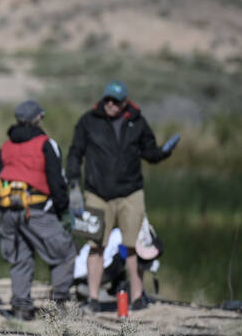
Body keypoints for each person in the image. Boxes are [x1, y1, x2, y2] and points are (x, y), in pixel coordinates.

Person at [66, 81, 179, 309]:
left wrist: (164, 152)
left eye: (115, 101)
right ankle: (93, 298)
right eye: (107, 99)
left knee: (133, 246)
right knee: (95, 245)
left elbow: (149, 153)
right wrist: (74, 186)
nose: (110, 104)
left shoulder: (137, 121)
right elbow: (75, 153)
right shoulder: (89, 121)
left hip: (130, 192)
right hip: (96, 193)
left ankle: (137, 297)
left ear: (125, 102)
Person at [0, 100, 77, 320]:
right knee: (64, 252)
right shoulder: (46, 144)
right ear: (38, 118)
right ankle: (60, 307)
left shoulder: (5, 147)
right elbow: (57, 183)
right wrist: (63, 211)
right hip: (37, 210)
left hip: (8, 212)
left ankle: (21, 307)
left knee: (20, 258)